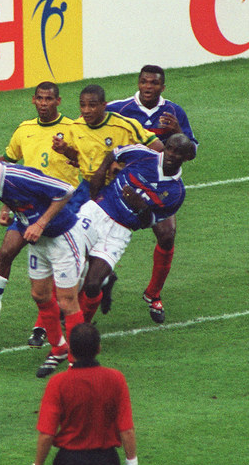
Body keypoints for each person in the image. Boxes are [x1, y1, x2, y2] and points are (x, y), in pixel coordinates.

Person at [0, 157, 88, 379]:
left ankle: (78, 362)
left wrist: (40, 223)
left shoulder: (17, 177)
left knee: (67, 300)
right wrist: (8, 209)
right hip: (38, 241)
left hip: (62, 238)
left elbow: (66, 190)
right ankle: (59, 349)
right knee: (39, 294)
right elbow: (14, 195)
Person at [0, 83, 79, 343]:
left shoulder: (72, 129)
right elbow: (7, 163)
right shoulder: (24, 129)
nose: (43, 103)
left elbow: (81, 160)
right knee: (7, 251)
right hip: (26, 204)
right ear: (33, 100)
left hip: (60, 202)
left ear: (58, 101)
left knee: (51, 261)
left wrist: (68, 150)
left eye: (49, 99)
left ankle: (43, 326)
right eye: (39, 98)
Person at [51, 84, 162, 320]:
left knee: (164, 232)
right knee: (70, 241)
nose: (87, 110)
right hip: (87, 187)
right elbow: (77, 156)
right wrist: (64, 150)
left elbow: (157, 149)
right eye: (82, 105)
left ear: (104, 105)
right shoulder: (75, 127)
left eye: (92, 105)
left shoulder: (124, 124)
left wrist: (129, 169)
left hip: (117, 190)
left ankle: (89, 299)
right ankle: (98, 284)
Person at [106, 66, 197, 323]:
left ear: (162, 87)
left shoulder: (174, 112)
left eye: (154, 83)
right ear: (138, 83)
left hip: (160, 187)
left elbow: (192, 152)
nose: (148, 87)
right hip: (125, 182)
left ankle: (153, 293)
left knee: (167, 235)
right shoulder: (119, 108)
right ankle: (94, 285)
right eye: (144, 82)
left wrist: (179, 129)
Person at [78, 135, 197, 325]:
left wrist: (141, 206)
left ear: (186, 157)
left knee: (92, 285)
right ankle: (49, 323)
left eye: (178, 152)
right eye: (169, 148)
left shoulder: (176, 193)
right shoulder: (142, 154)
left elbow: (147, 222)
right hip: (96, 212)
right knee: (67, 262)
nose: (171, 155)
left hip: (120, 231)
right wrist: (99, 178)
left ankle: (80, 329)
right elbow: (114, 153)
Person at [32, 322, 138, 465]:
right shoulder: (116, 379)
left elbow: (47, 433)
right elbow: (127, 429)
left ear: (70, 349)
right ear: (98, 348)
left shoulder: (58, 383)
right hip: (106, 463)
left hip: (71, 464)